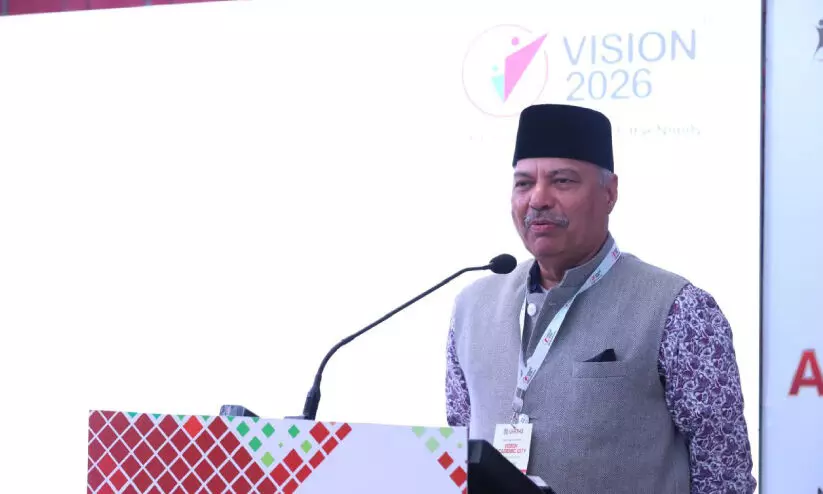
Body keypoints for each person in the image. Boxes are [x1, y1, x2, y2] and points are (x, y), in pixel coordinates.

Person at [445, 104, 756, 493]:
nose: (538, 199)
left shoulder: (680, 310)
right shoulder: (471, 307)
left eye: (562, 181)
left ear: (609, 193)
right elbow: (459, 454)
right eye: (523, 184)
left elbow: (724, 476)